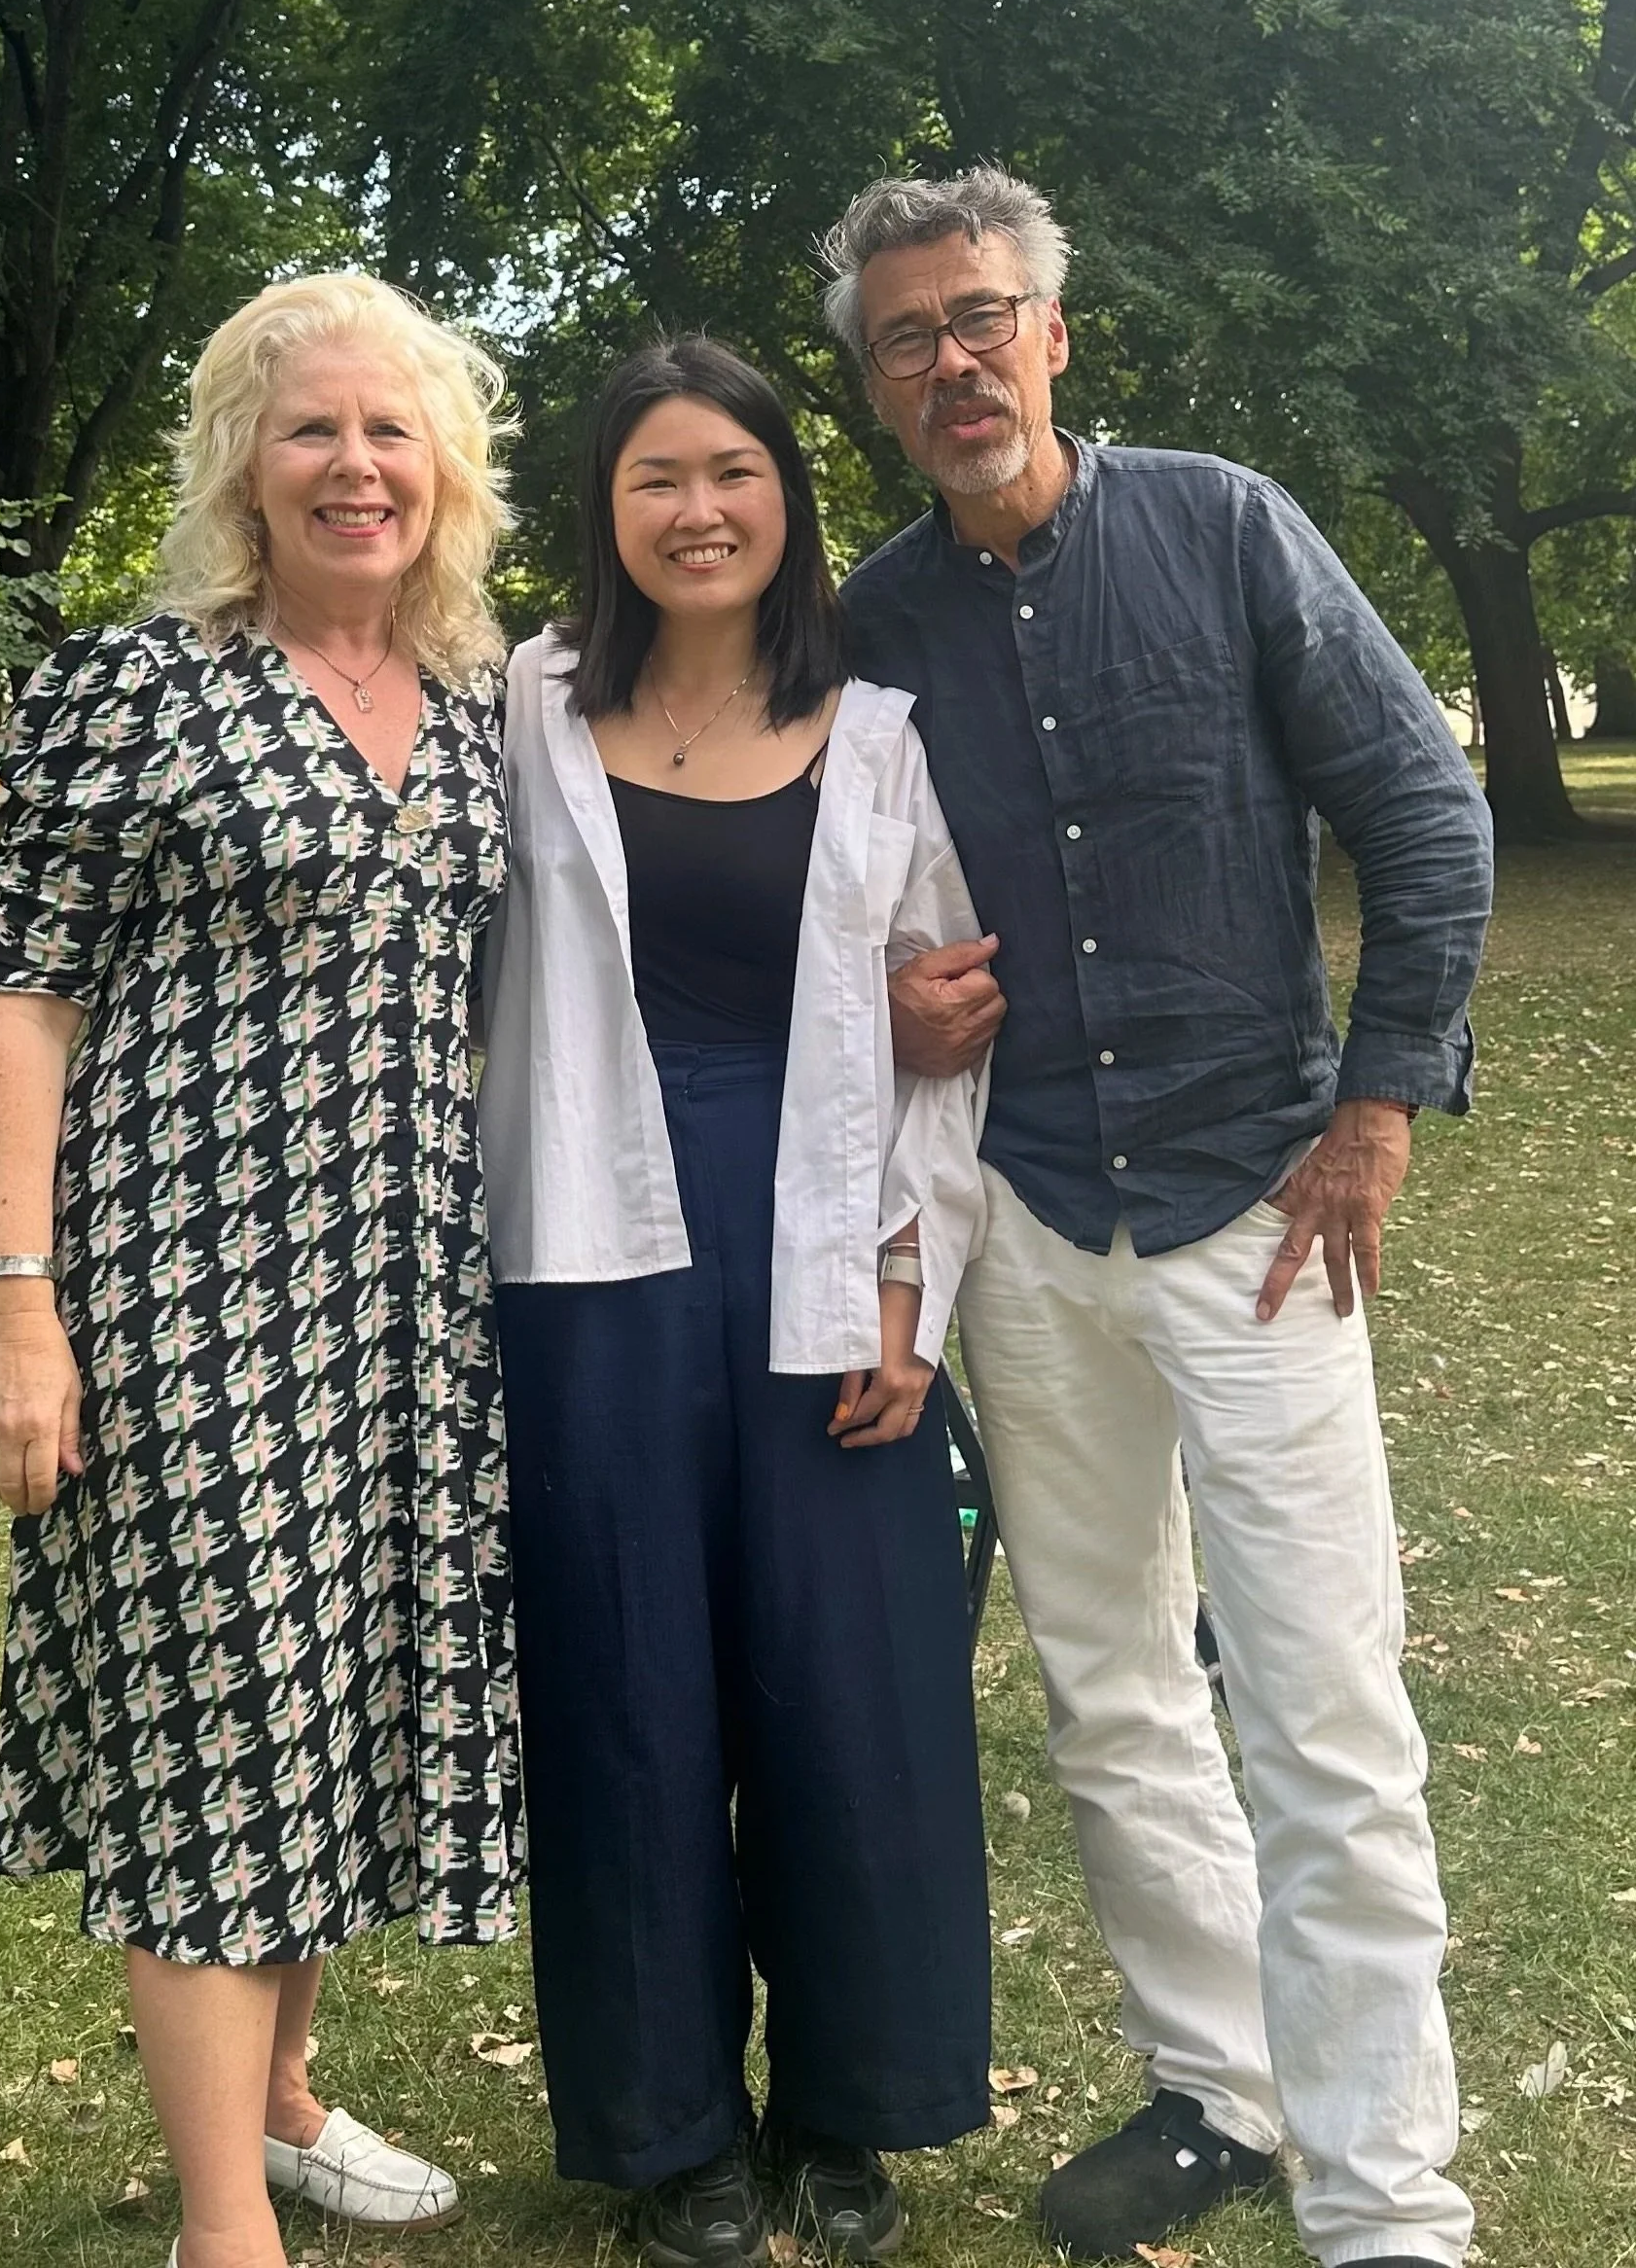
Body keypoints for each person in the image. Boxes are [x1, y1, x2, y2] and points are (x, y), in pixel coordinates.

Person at [821, 167, 1494, 2268]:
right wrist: (883, 1004)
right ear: (872, 387)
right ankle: (1221, 2084)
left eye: (982, 314)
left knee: (1317, 1699)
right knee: (1110, 1684)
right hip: (1021, 1221)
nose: (952, 359)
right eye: (908, 336)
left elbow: (1421, 809)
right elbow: (834, 908)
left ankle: (1389, 2197)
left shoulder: (1220, 525)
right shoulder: (866, 627)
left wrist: (1378, 1103)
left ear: (1053, 333)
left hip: (1258, 1207)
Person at [0, 272, 520, 2268]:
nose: (355, 464)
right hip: (183, 1291)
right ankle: (227, 2231)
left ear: (444, 464)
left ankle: (279, 2102)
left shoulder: (480, 698)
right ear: (242, 465)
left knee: (337, 1699)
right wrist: (16, 1300)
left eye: (390, 429)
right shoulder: (144, 682)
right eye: (313, 430)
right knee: (218, 1721)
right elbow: (18, 997)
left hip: (408, 1296)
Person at [480, 338, 993, 2268]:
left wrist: (904, 1285)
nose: (698, 507)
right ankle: (668, 2124)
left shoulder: (875, 729)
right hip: (588, 1265)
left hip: (823, 1261)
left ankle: (852, 2104)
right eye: (654, 478)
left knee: (852, 1688)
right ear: (605, 515)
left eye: (734, 472)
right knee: (623, 1690)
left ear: (786, 496)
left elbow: (953, 1025)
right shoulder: (521, 704)